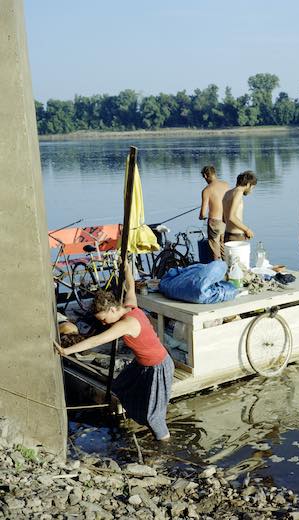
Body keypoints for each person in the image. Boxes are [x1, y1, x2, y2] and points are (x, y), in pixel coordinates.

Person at [55, 262, 174, 441]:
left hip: (159, 366)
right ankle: (142, 414)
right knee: (120, 386)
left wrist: (66, 351)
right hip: (141, 364)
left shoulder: (125, 324)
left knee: (154, 417)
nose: (104, 323)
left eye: (104, 319)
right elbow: (130, 285)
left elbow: (96, 340)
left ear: (112, 309)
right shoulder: (129, 305)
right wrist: (126, 268)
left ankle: (165, 444)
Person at [198, 165, 229, 260]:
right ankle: (228, 269)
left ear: (205, 175)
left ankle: (217, 270)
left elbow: (203, 213)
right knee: (223, 246)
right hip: (225, 220)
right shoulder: (226, 185)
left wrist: (201, 217)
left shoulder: (206, 190)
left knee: (215, 249)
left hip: (214, 222)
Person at [223, 170, 257, 243]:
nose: (251, 191)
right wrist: (247, 230)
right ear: (248, 184)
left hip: (227, 235)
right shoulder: (238, 193)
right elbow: (231, 217)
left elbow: (224, 218)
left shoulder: (227, 193)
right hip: (237, 236)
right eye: (252, 188)